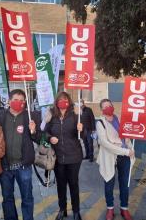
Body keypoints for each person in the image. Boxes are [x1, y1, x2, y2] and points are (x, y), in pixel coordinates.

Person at [0, 89, 41, 220]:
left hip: (24, 166)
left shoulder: (30, 116)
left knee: (27, 197)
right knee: (7, 198)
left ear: (25, 102)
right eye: (15, 100)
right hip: (5, 166)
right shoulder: (0, 116)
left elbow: (39, 139)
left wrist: (34, 130)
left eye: (21, 101)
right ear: (9, 101)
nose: (18, 103)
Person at [45, 92, 83, 220]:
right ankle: (62, 209)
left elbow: (85, 135)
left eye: (65, 99)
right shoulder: (52, 115)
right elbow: (45, 133)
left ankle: (76, 211)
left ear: (69, 101)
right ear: (56, 102)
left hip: (74, 157)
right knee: (61, 185)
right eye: (60, 99)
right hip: (58, 157)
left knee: (73, 184)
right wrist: (50, 138)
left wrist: (81, 130)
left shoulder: (75, 114)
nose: (63, 101)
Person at [96, 99, 135, 220]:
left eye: (109, 105)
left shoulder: (120, 120)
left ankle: (124, 208)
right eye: (105, 106)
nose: (108, 107)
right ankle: (110, 208)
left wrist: (130, 148)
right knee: (109, 183)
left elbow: (126, 138)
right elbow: (104, 143)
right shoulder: (100, 123)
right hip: (109, 157)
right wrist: (125, 151)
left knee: (125, 184)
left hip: (125, 157)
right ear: (102, 110)